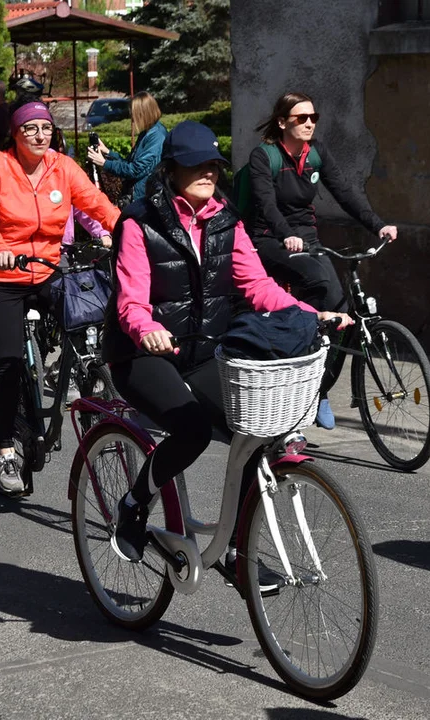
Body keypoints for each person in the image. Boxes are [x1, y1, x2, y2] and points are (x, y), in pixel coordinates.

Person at [102, 120, 351, 565]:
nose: (209, 174)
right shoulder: (139, 223)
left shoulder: (225, 221)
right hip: (141, 353)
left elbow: (257, 286)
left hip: (203, 350)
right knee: (193, 431)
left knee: (255, 430)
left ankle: (235, 548)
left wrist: (314, 315)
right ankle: (135, 504)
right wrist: (146, 329)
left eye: (214, 166)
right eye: (197, 166)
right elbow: (130, 301)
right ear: (172, 169)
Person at [0, 101, 120, 492]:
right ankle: (5, 449)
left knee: (88, 323)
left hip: (48, 271)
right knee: (8, 358)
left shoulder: (62, 166)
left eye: (46, 128)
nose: (39, 136)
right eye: (30, 129)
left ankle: (86, 385)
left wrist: (128, 229)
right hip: (0, 273)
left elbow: (96, 203)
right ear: (15, 135)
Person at [247, 91, 397, 429]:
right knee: (325, 292)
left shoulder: (316, 153)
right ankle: (305, 360)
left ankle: (319, 387)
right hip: (271, 240)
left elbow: (345, 193)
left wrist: (378, 224)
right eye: (302, 118)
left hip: (308, 240)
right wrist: (285, 233)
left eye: (313, 117)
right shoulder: (265, 156)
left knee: (342, 309)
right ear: (283, 122)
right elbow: (266, 206)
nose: (310, 123)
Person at [86, 91, 167, 203]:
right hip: (137, 198)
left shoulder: (157, 136)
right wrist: (108, 152)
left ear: (144, 113)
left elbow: (134, 170)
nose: (132, 117)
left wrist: (104, 163)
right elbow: (128, 163)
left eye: (134, 113)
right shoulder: (147, 133)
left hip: (144, 202)